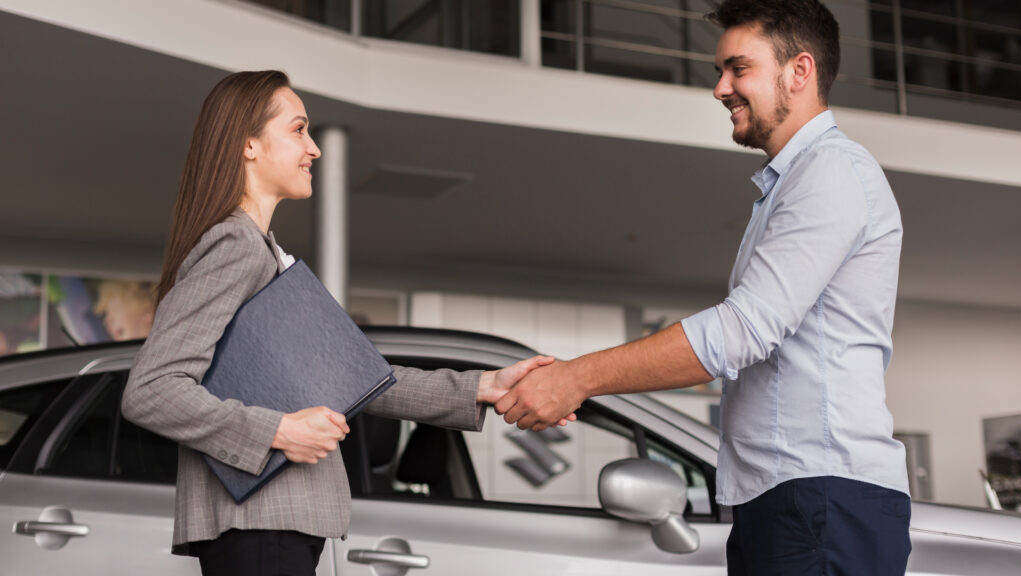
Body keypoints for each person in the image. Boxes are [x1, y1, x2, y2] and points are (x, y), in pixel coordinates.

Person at [495, 0, 911, 573]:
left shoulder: (832, 173)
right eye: (721, 72)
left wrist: (576, 378)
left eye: (738, 69)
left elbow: (740, 331)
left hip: (819, 499)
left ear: (800, 70)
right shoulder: (791, 184)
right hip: (792, 498)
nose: (720, 89)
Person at [121, 70, 557, 576]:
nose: (315, 149)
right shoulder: (235, 246)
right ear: (249, 145)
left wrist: (482, 386)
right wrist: (278, 431)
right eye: (299, 130)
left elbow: (354, 378)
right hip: (262, 526)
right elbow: (151, 390)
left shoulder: (261, 252)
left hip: (273, 526)